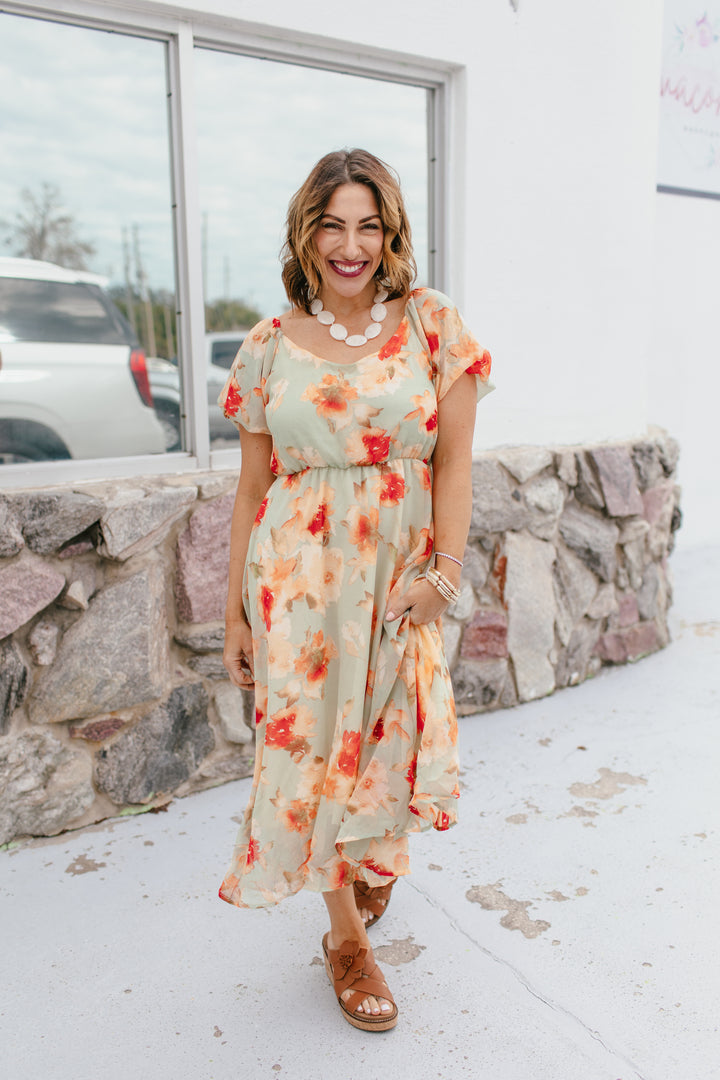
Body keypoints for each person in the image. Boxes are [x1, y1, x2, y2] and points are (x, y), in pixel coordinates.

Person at [217, 148, 493, 1032]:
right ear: (305, 234)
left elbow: (455, 464)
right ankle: (344, 936)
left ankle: (362, 862)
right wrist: (235, 614)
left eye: (368, 226)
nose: (351, 245)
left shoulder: (432, 324)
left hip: (397, 578)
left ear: (391, 234)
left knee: (387, 738)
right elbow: (251, 491)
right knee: (308, 752)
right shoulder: (267, 346)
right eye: (332, 225)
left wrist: (445, 574)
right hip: (295, 584)